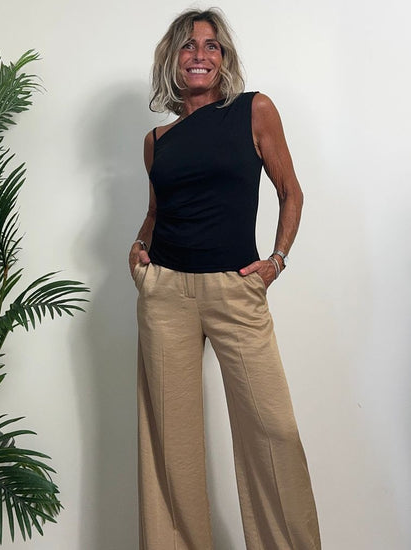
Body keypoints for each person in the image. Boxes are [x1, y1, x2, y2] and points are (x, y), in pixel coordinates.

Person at [128, 8, 321, 550]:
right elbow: (157, 211)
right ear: (172, 60)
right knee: (172, 444)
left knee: (273, 429)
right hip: (165, 292)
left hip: (236, 290)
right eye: (188, 46)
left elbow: (290, 191)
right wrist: (139, 248)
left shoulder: (253, 110)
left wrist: (276, 260)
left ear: (223, 58)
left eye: (211, 46)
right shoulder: (157, 140)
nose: (199, 55)